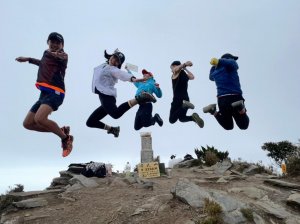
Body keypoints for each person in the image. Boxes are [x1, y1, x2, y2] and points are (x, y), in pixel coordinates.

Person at [15, 32, 73, 157]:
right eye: (52, 42)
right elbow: (42, 63)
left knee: (40, 119)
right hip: (44, 95)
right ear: (48, 42)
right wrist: (28, 59)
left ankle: (65, 138)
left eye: (58, 43)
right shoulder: (46, 54)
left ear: (62, 45)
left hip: (56, 92)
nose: (55, 44)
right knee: (28, 124)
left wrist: (56, 54)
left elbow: (60, 57)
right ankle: (61, 131)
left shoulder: (63, 55)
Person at [86, 49, 155, 137]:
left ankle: (140, 98)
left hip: (107, 97)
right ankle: (113, 129)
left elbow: (122, 74)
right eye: (114, 57)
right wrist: (115, 52)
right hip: (103, 98)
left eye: (117, 61)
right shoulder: (104, 65)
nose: (114, 60)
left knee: (116, 114)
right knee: (90, 122)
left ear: (118, 64)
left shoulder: (113, 70)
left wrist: (134, 79)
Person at [203, 53, 250, 130]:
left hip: (222, 100)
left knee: (228, 126)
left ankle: (213, 111)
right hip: (235, 97)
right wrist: (219, 61)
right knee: (244, 125)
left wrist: (214, 66)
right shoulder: (230, 64)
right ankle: (240, 108)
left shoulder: (216, 70)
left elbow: (211, 77)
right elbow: (234, 64)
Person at [169, 60, 204, 128]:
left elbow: (176, 69)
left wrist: (185, 65)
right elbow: (192, 77)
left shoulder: (175, 73)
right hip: (186, 99)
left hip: (177, 99)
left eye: (172, 67)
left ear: (174, 66)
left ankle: (184, 106)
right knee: (182, 118)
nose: (171, 69)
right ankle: (193, 117)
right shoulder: (184, 74)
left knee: (172, 120)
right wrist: (185, 69)